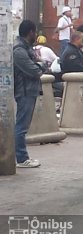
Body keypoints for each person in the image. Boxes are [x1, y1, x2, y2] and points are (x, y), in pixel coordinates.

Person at [13, 19, 45, 168]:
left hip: (29, 90)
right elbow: (34, 70)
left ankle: (21, 157)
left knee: (22, 126)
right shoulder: (19, 50)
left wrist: (39, 64)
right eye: (35, 31)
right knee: (21, 126)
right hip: (24, 91)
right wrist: (41, 65)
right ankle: (21, 158)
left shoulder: (26, 48)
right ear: (30, 32)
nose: (36, 34)